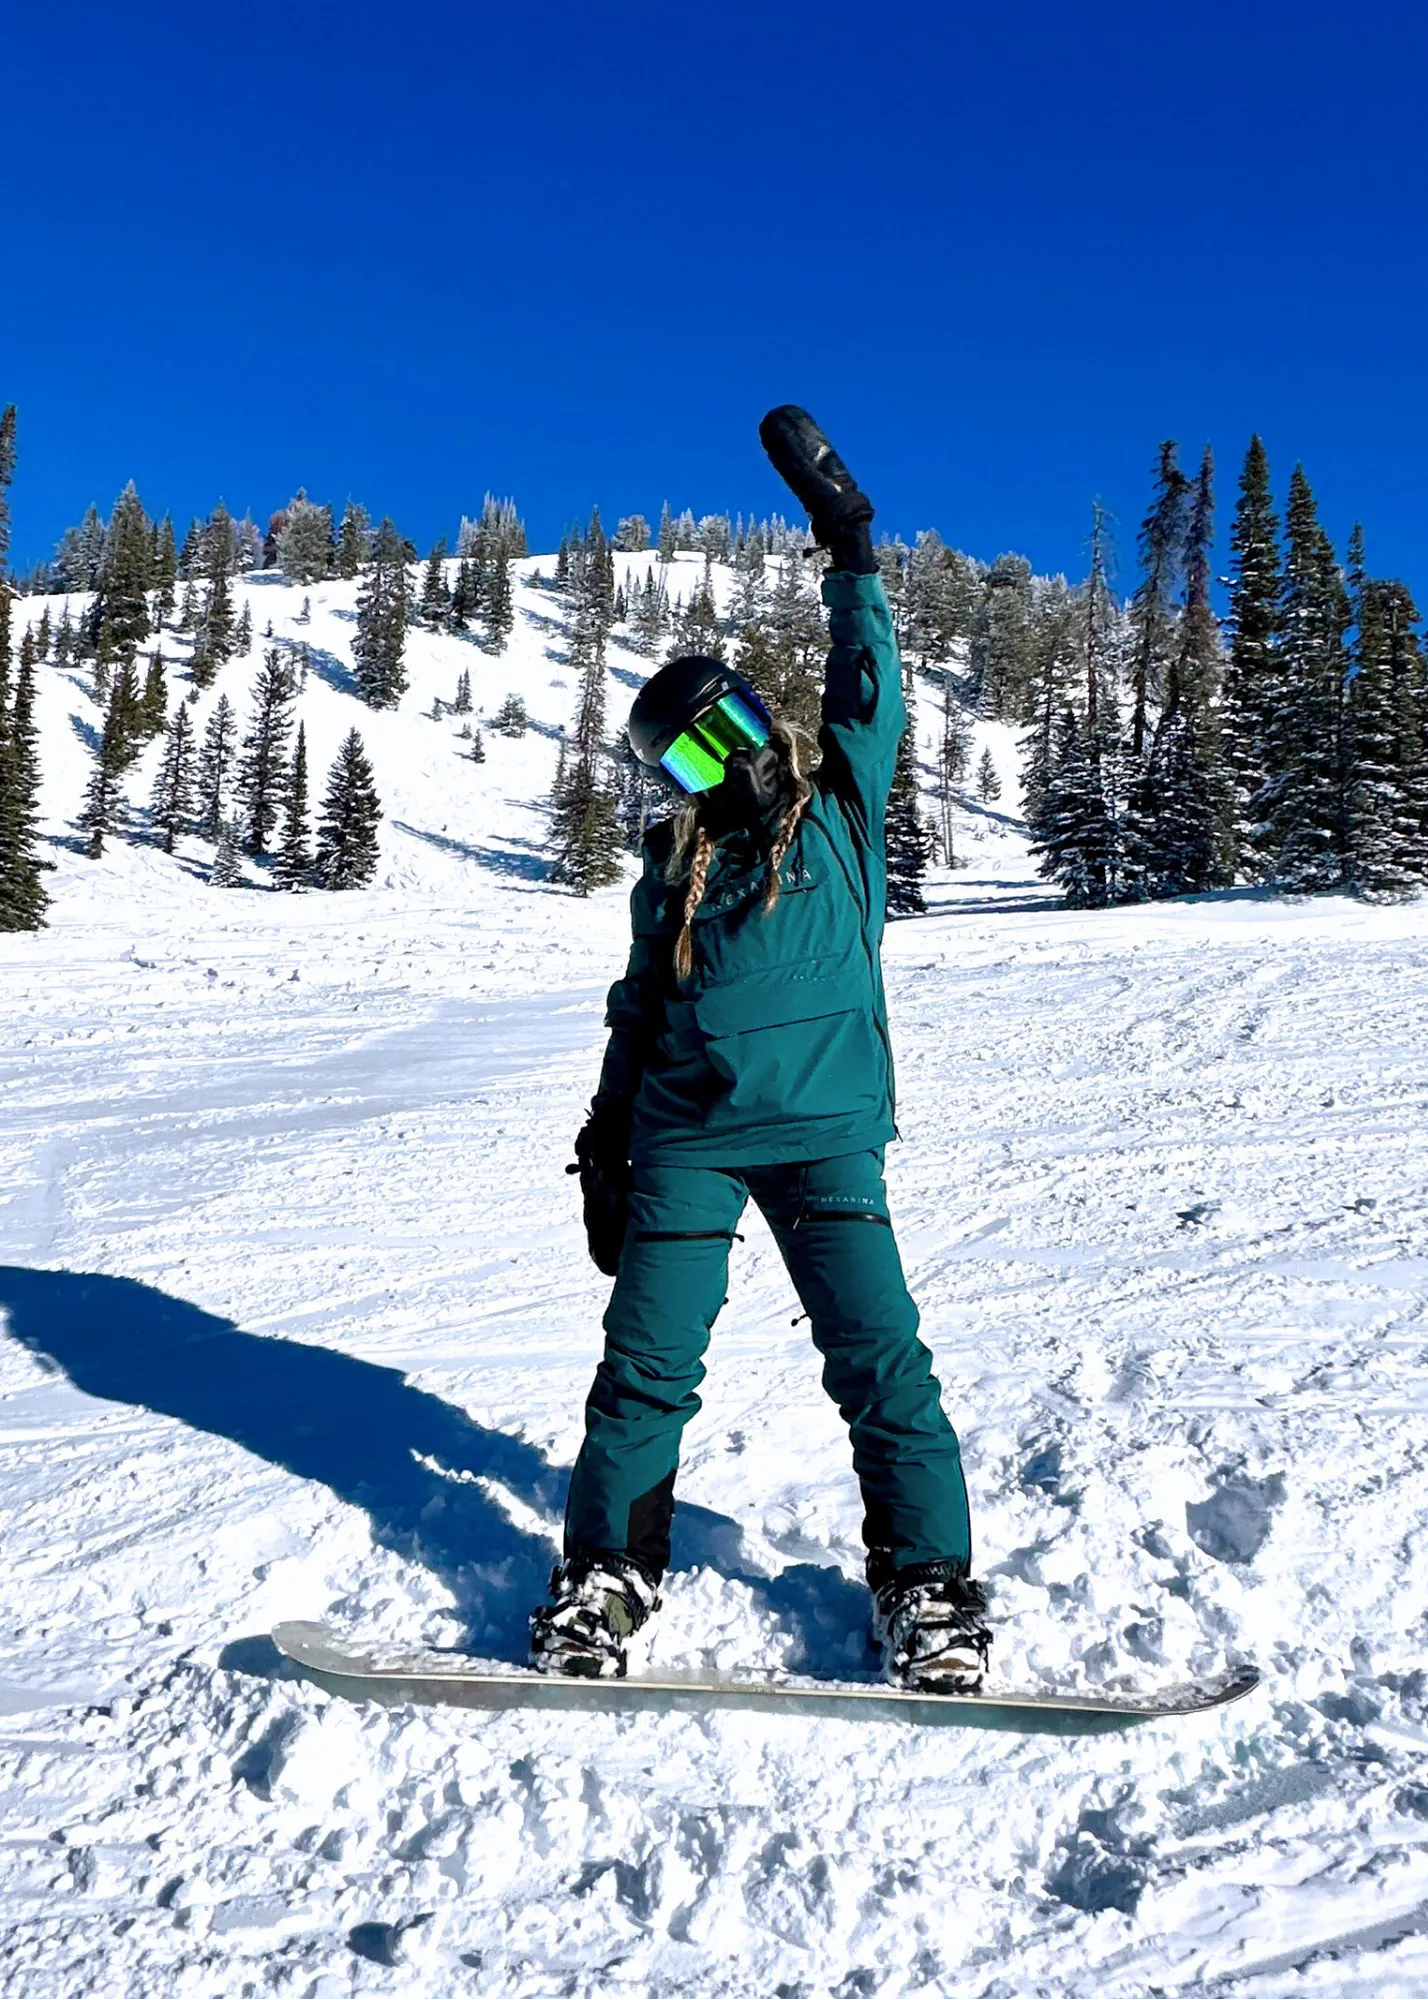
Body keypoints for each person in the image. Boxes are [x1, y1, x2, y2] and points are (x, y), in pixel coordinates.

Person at [531, 408, 991, 1691]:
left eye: (717, 727)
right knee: (643, 1371)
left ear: (750, 714)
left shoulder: (840, 802)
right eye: (680, 751)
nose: (709, 759)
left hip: (827, 1130)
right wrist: (604, 1137)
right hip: (684, 1138)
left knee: (880, 1363)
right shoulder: (675, 863)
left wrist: (847, 540)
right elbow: (639, 1007)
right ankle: (608, 1571)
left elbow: (869, 670)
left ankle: (928, 1587)